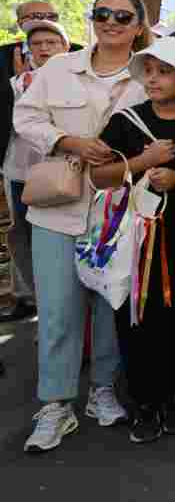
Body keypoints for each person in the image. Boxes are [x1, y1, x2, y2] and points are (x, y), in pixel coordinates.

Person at [15, 0, 152, 453]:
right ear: (92, 19)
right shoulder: (57, 68)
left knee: (110, 304)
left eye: (122, 15)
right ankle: (55, 404)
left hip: (118, 211)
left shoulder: (148, 76)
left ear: (139, 25)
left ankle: (103, 392)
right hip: (57, 208)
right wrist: (68, 142)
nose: (111, 21)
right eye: (102, 13)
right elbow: (26, 121)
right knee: (57, 310)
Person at [91, 37, 175, 443]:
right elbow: (98, 176)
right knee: (135, 317)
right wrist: (143, 162)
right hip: (135, 241)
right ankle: (143, 400)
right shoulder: (126, 120)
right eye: (149, 72)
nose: (153, 80)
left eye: (164, 71)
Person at [1, 20, 71, 323]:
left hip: (62, 176)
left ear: (65, 48)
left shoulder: (75, 81)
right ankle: (43, 303)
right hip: (20, 174)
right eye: (37, 44)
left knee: (57, 242)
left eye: (51, 42)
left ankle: (62, 310)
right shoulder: (16, 83)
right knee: (23, 238)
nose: (44, 48)